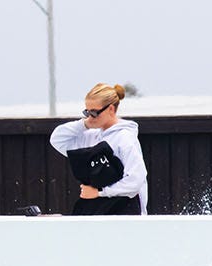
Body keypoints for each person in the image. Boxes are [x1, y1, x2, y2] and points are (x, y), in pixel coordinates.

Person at [49, 82, 148, 215]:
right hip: (97, 208)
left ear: (111, 109)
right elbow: (57, 139)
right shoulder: (90, 136)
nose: (90, 117)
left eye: (94, 112)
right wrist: (83, 124)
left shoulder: (125, 139)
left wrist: (100, 192)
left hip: (125, 212)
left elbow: (135, 181)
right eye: (87, 112)